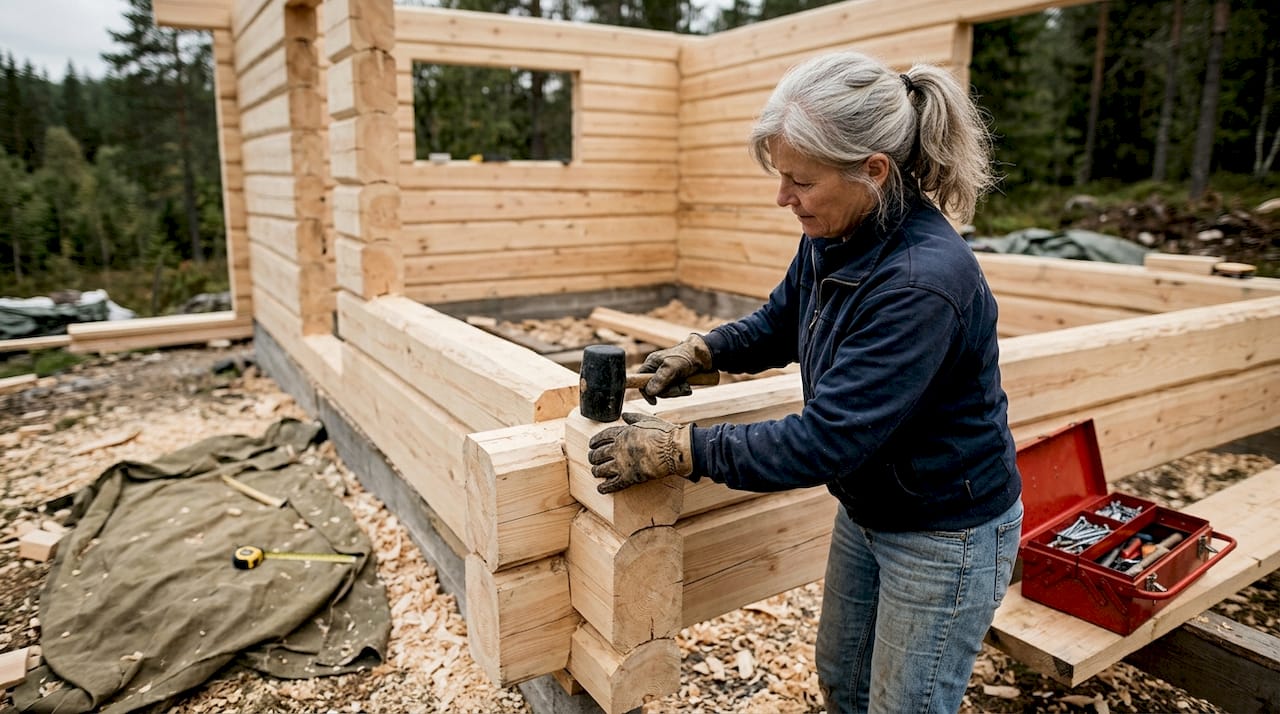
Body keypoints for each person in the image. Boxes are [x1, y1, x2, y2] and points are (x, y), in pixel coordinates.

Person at [586, 50, 1023, 714]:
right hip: (873, 504)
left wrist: (680, 448)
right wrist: (706, 349)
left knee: (907, 705)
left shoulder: (922, 283)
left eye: (800, 181)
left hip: (945, 532)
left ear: (873, 170)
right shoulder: (838, 228)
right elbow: (786, 318)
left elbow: (823, 442)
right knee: (841, 680)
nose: (783, 197)